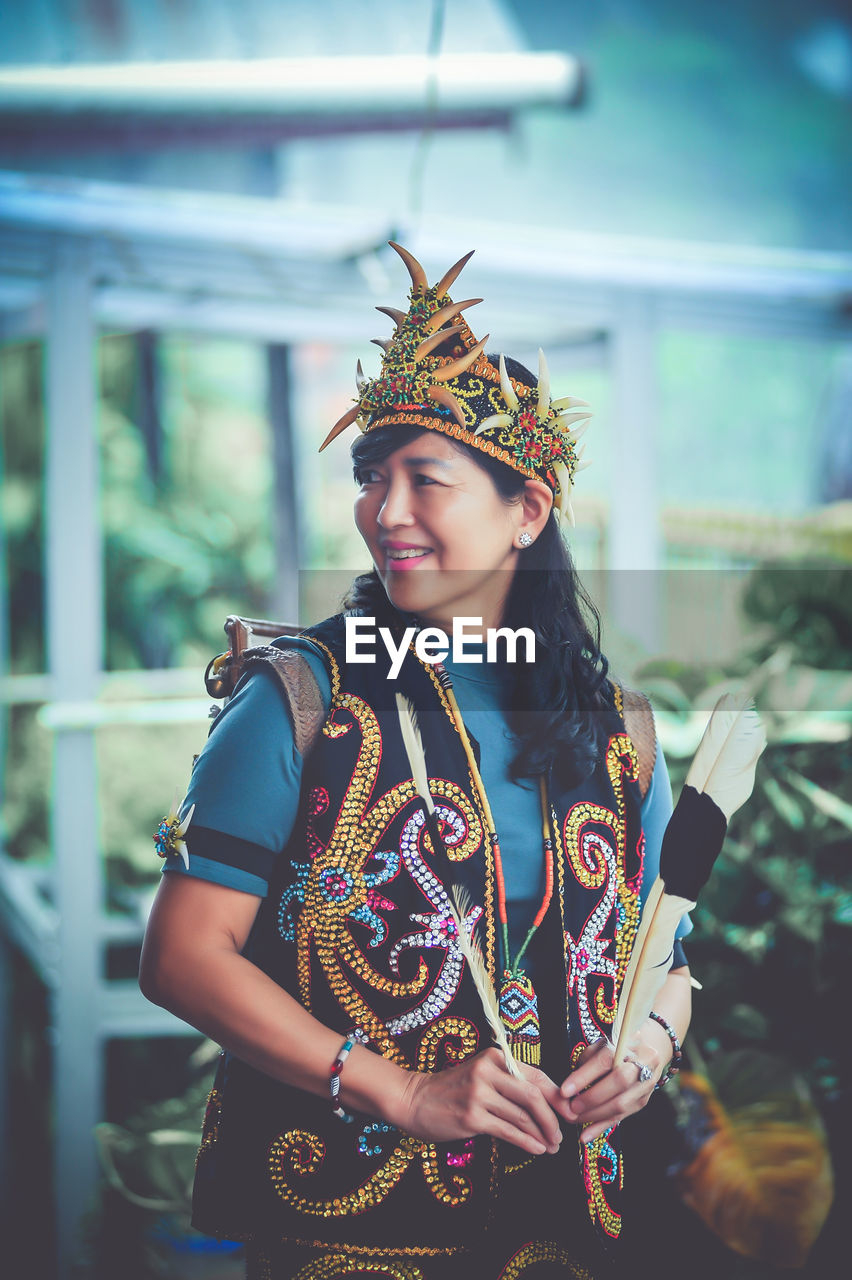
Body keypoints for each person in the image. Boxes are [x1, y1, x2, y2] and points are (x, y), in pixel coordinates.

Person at [140, 244, 692, 1279]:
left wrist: (647, 1051)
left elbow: (669, 959)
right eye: (370, 478)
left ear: (525, 510)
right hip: (347, 1236)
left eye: (423, 479)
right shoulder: (298, 702)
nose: (384, 513)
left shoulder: (622, 729)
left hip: (571, 1233)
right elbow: (180, 954)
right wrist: (404, 1090)